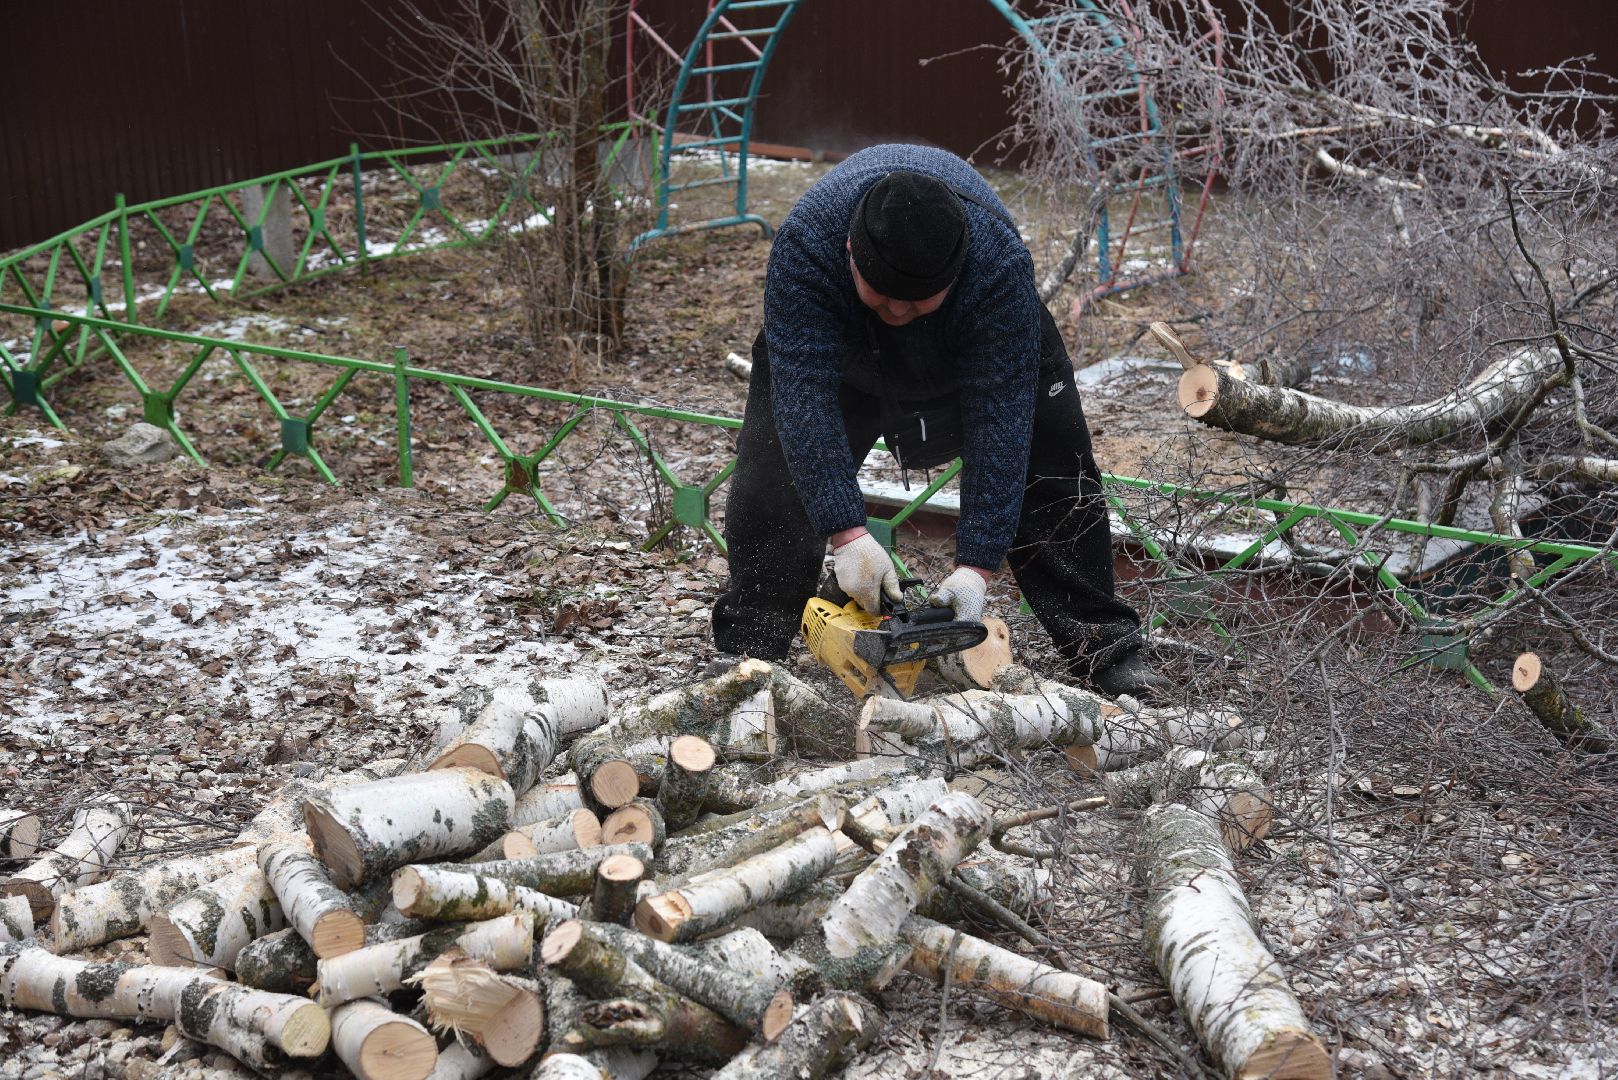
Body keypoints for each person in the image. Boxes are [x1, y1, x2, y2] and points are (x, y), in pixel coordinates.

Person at [710, 143, 1164, 701]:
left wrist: (977, 565)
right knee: (774, 468)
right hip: (844, 351)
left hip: (968, 344)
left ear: (956, 272)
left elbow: (1001, 421)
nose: (897, 312)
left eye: (915, 302)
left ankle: (1106, 649)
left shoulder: (997, 266)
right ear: (851, 251)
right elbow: (804, 400)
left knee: (1053, 473)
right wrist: (848, 533)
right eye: (883, 297)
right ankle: (750, 648)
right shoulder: (807, 246)